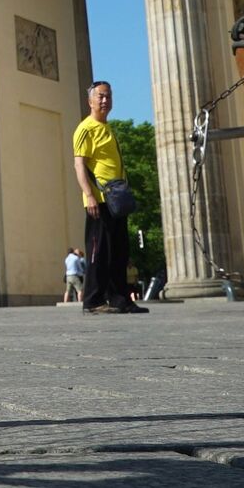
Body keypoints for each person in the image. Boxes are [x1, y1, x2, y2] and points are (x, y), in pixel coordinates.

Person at [72, 81, 144, 314]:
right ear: (90, 101)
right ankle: (92, 301)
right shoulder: (85, 129)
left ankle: (119, 299)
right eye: (101, 96)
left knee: (120, 251)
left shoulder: (108, 128)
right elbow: (79, 164)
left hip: (116, 199)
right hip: (99, 200)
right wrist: (89, 196)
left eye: (109, 96)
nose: (105, 100)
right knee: (98, 252)